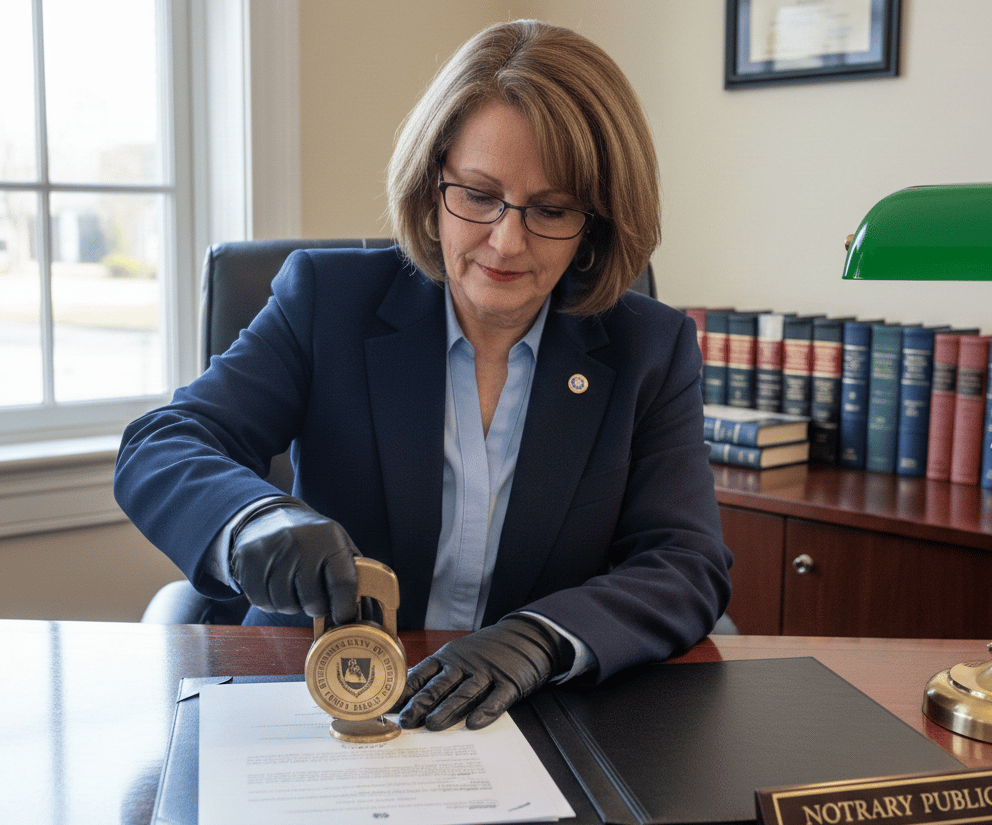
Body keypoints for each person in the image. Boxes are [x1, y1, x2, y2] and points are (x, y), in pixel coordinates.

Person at [114, 19, 732, 731]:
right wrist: (256, 520)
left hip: (519, 720)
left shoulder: (649, 348)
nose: (506, 241)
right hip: (305, 702)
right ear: (432, 184)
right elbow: (163, 442)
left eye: (552, 209)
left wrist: (542, 637)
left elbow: (686, 562)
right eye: (477, 194)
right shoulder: (327, 302)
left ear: (596, 223)